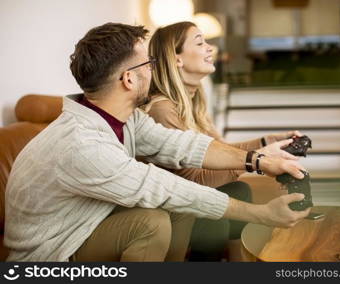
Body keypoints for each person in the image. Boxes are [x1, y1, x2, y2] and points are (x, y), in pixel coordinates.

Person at [4, 22, 310, 262]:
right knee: (153, 220)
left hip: (86, 224)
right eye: (149, 65)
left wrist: (258, 160)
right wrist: (263, 214)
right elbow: (165, 188)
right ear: (128, 79)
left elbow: (184, 145)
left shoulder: (124, 117)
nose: (155, 70)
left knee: (180, 207)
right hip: (52, 252)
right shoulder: (83, 146)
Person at [144, 21, 303, 261]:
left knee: (238, 189)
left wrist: (269, 141)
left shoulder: (193, 101)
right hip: (171, 211)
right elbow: (196, 182)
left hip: (192, 202)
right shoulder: (162, 110)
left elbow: (221, 152)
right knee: (221, 203)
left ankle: (236, 260)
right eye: (200, 42)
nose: (210, 48)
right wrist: (259, 160)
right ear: (177, 59)